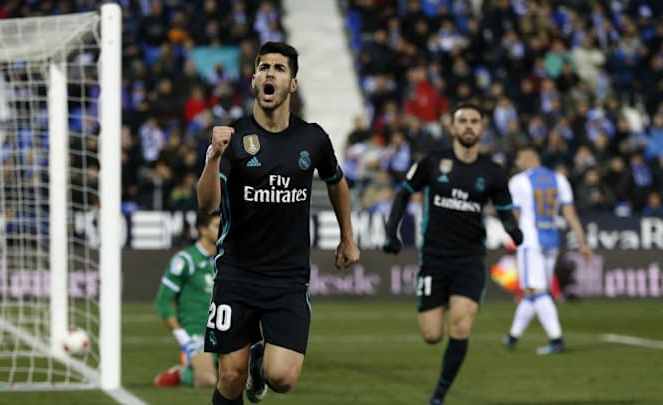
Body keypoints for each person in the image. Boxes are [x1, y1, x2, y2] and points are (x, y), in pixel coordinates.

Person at [197, 41, 360, 405]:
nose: (270, 73)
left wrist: (347, 237)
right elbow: (207, 205)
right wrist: (213, 158)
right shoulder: (233, 137)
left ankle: (260, 366)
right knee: (230, 374)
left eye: (280, 68)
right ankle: (247, 369)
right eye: (264, 67)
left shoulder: (313, 138)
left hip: (287, 277)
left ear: (293, 84)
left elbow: (337, 182)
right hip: (236, 272)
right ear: (254, 79)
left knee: (282, 377)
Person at [383, 102, 523, 405]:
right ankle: (440, 312)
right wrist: (391, 231)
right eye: (463, 121)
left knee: (460, 325)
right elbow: (403, 193)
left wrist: (513, 229)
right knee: (432, 335)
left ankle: (439, 395)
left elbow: (504, 210)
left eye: (475, 121)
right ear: (452, 128)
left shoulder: (493, 172)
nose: (469, 126)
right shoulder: (432, 162)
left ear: (482, 128)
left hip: (470, 259)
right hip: (434, 258)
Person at [504, 146, 593, 354]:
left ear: (527, 158)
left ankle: (556, 339)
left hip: (529, 240)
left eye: (518, 158)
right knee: (531, 290)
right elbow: (570, 214)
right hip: (551, 238)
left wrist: (512, 237)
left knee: (537, 290)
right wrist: (583, 242)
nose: (516, 163)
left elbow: (515, 214)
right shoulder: (559, 179)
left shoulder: (519, 181)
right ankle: (512, 336)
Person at [153, 210, 220, 388]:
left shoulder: (227, 260)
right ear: (202, 229)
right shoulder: (186, 260)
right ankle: (182, 373)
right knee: (208, 381)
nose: (222, 229)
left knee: (237, 379)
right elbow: (163, 303)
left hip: (224, 332)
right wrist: (184, 339)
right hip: (196, 337)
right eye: (217, 226)